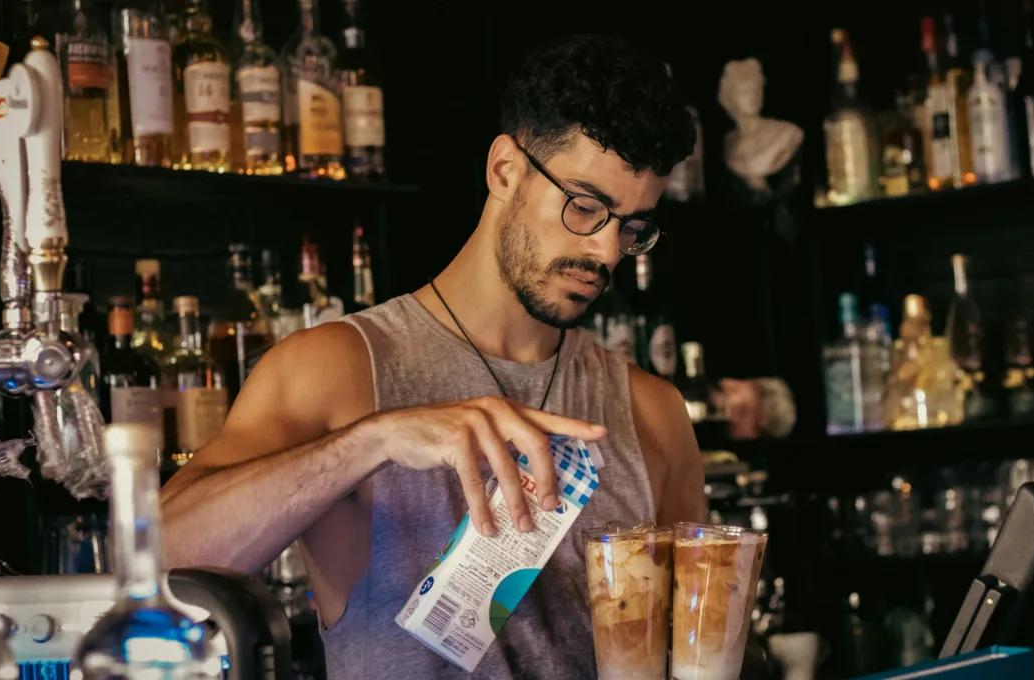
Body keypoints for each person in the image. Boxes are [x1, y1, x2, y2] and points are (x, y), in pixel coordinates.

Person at [160, 33, 702, 679]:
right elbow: (161, 558)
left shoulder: (652, 411)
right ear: (505, 169)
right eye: (586, 207)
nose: (608, 252)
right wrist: (374, 440)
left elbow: (691, 647)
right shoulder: (337, 370)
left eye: (634, 227)